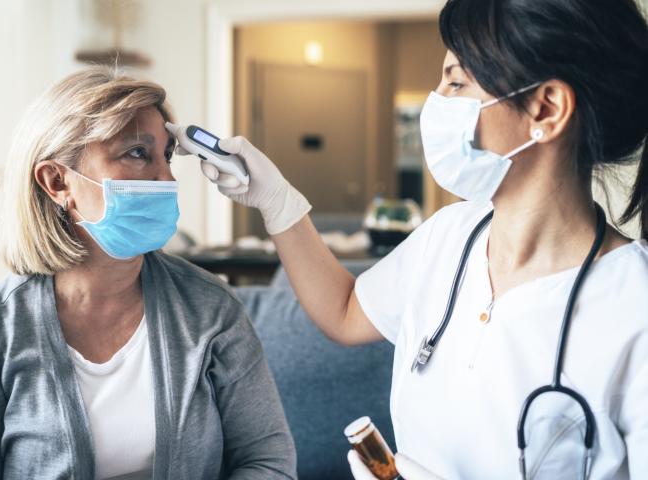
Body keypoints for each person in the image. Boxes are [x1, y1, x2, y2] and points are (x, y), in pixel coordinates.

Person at [167, 0, 648, 477]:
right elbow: (345, 312)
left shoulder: (633, 307)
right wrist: (278, 202)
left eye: (457, 81)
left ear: (546, 108)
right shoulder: (449, 236)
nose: (436, 99)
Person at [0, 67, 296, 479]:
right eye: (137, 153)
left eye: (166, 156)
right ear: (57, 181)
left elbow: (268, 462)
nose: (166, 178)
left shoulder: (212, 310)